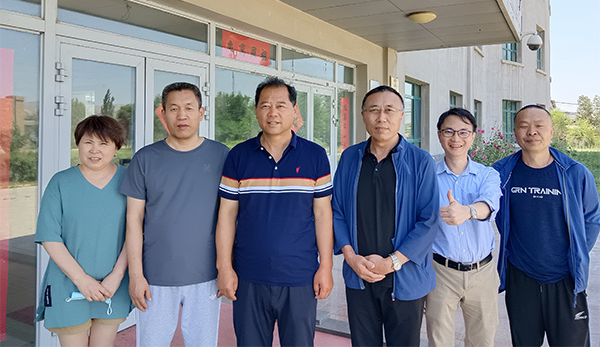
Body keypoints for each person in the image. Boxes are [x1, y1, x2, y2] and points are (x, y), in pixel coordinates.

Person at [216, 77, 333, 347]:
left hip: (300, 276)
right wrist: (225, 267)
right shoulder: (238, 155)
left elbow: (323, 215)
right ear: (256, 111)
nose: (273, 112)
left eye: (280, 105)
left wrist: (325, 267)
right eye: (265, 105)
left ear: (294, 110)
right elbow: (227, 216)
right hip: (249, 276)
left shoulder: (315, 156)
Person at [121, 82, 229, 347]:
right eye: (174, 109)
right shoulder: (145, 159)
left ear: (201, 113)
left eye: (189, 108)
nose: (182, 115)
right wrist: (136, 275)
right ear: (163, 113)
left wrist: (227, 267)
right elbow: (134, 221)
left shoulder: (222, 155)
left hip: (206, 274)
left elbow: (230, 217)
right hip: (155, 276)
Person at [332, 85, 439, 347]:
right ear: (363, 115)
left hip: (405, 277)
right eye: (374, 110)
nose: (382, 117)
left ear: (401, 115)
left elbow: (428, 221)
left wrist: (392, 262)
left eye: (389, 110)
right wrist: (351, 257)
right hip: (359, 273)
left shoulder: (420, 161)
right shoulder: (350, 157)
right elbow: (337, 211)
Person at [494, 104, 600, 346]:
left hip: (566, 278)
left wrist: (577, 253)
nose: (532, 131)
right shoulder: (502, 173)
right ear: (515, 132)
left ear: (551, 131)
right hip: (521, 276)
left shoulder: (574, 172)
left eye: (539, 126)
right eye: (524, 126)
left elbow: (592, 218)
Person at [35, 115, 132, 346]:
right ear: (78, 144)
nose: (94, 150)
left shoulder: (130, 180)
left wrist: (117, 276)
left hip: (112, 285)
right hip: (68, 283)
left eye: (103, 143)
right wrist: (82, 280)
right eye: (88, 142)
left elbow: (136, 232)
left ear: (116, 147)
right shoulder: (61, 182)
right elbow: (50, 236)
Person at [425, 108, 501, 347]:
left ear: (473, 136)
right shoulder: (428, 176)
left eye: (463, 132)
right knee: (439, 341)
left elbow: (489, 204)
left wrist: (467, 211)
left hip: (482, 273)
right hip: (440, 271)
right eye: (448, 131)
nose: (456, 138)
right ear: (439, 135)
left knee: (482, 341)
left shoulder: (488, 175)